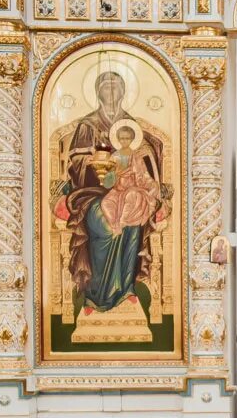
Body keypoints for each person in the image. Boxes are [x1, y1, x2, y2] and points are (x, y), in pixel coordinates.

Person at [54, 71, 165, 314]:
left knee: (134, 220)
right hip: (91, 191)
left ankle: (126, 289)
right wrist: (98, 165)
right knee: (105, 226)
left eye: (116, 87)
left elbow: (146, 165)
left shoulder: (131, 124)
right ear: (98, 92)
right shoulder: (88, 124)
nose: (112, 92)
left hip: (128, 192)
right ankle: (95, 296)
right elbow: (76, 163)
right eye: (107, 87)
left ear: (124, 92)